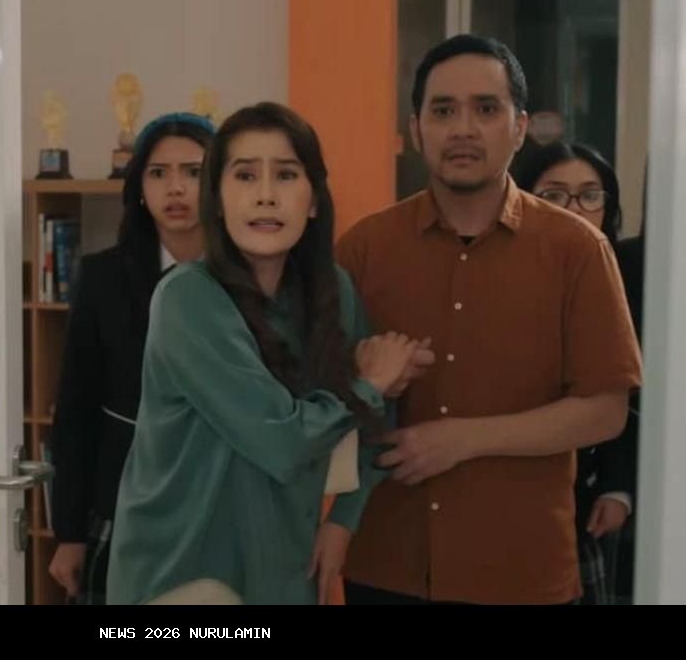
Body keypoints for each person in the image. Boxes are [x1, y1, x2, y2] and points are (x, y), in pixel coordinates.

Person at [335, 35, 642, 605]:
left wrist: (464, 439)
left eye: (486, 108)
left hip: (522, 570)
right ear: (416, 128)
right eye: (443, 110)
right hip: (387, 564)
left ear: (519, 127)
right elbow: (315, 392)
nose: (463, 129)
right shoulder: (364, 249)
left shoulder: (578, 249)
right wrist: (363, 376)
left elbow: (606, 410)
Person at [106, 101, 434, 605]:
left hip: (283, 566)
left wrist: (343, 522)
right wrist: (371, 382)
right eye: (244, 175)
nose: (265, 195)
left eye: (285, 175)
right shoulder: (187, 298)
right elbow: (282, 440)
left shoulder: (332, 291)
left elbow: (375, 420)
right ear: (217, 200)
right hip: (180, 576)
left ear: (313, 200)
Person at [48, 112, 216, 604]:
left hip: (219, 502)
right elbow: (75, 412)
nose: (176, 188)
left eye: (193, 172)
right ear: (139, 188)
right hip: (124, 499)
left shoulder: (246, 276)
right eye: (158, 173)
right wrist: (69, 532)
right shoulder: (103, 277)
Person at [514, 141, 634, 604]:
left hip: (585, 494)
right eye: (554, 195)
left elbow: (631, 398)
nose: (575, 209)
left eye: (590, 195)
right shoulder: (499, 277)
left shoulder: (627, 279)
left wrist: (618, 486)